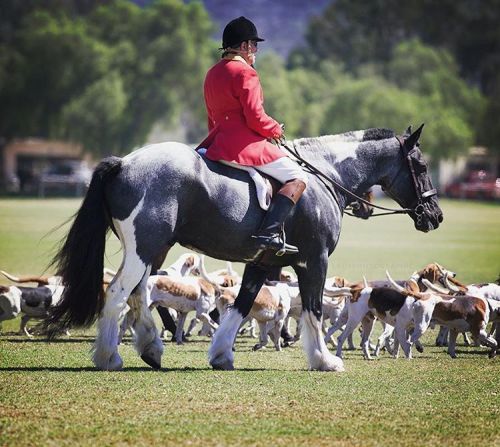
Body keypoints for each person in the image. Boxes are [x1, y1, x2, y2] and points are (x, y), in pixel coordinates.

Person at [197, 16, 307, 255]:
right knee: (297, 177)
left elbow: (211, 118)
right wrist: (276, 129)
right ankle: (269, 233)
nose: (256, 51)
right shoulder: (246, 73)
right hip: (243, 146)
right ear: (245, 46)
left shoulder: (212, 73)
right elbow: (255, 117)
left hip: (215, 145)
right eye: (254, 45)